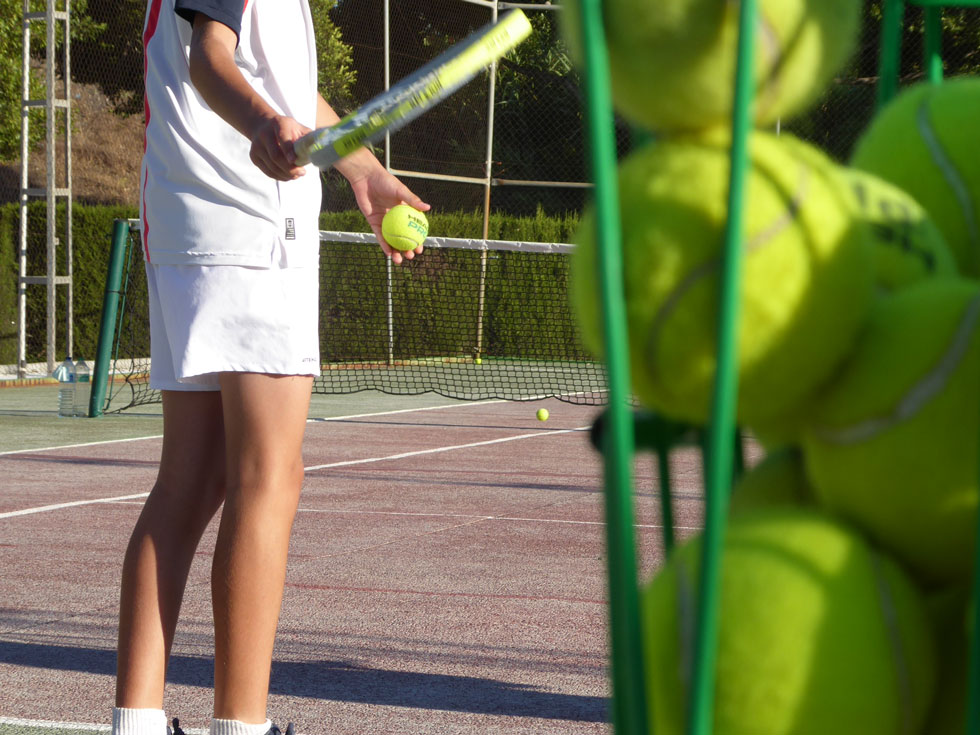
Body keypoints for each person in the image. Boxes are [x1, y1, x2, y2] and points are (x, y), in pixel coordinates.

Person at [112, 2, 429, 734]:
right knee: (269, 477)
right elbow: (212, 60)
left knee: (190, 479)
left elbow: (277, 84)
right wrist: (261, 126)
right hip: (250, 223)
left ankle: (137, 722)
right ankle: (241, 726)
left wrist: (364, 169)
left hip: (191, 218)